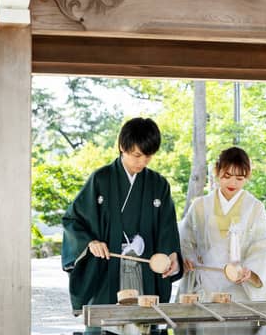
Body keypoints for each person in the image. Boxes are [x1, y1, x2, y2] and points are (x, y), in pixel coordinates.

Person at [62, 117, 183, 315]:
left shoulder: (158, 184)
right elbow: (73, 220)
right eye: (137, 155)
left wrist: (171, 257)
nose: (142, 162)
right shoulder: (101, 179)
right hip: (107, 269)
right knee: (105, 325)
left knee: (143, 323)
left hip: (145, 268)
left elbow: (167, 229)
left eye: (148, 156)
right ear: (122, 147)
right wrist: (91, 242)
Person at [179, 147, 266, 302]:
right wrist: (188, 258)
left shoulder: (255, 207)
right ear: (217, 172)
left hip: (239, 282)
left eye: (239, 178)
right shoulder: (200, 206)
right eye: (227, 176)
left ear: (247, 176)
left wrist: (250, 270)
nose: (233, 183)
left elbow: (263, 243)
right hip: (206, 281)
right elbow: (186, 238)